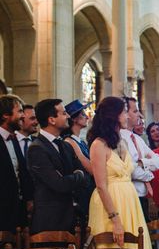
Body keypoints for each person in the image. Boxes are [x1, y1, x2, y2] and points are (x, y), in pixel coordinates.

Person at [87, 96, 152, 249]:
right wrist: (114, 220)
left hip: (129, 202)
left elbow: (136, 169)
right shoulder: (98, 144)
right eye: (125, 112)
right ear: (114, 115)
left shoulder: (123, 140)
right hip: (109, 207)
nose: (129, 115)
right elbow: (101, 185)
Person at [28, 99, 88, 233]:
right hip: (51, 221)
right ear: (52, 120)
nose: (68, 116)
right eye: (64, 113)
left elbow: (85, 180)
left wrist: (76, 176)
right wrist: (78, 174)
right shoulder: (37, 148)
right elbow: (59, 184)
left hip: (71, 217)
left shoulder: (65, 146)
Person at [120, 97, 159, 220]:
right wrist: (149, 174)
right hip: (129, 196)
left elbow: (158, 162)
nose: (140, 115)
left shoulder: (137, 139)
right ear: (125, 113)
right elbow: (131, 171)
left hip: (143, 196)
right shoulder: (119, 138)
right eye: (135, 111)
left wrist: (142, 162)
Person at [0, 94, 29, 230]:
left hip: (17, 212)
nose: (23, 116)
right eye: (20, 111)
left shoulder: (14, 139)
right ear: (6, 115)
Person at [63, 99, 94, 222]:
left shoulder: (81, 141)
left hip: (89, 188)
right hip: (81, 191)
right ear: (74, 119)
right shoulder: (69, 141)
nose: (87, 116)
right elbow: (89, 166)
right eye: (83, 114)